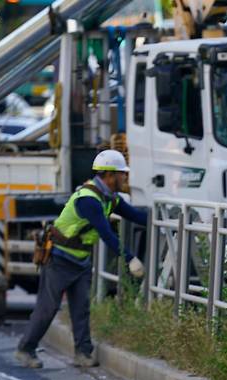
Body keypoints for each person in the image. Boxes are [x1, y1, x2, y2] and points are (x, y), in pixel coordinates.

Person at [15, 150, 147, 368]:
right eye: (122, 174)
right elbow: (106, 234)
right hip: (58, 259)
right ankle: (25, 349)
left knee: (81, 307)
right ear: (110, 175)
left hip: (80, 260)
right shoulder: (89, 200)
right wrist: (130, 259)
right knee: (48, 307)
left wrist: (166, 218)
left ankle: (83, 353)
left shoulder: (109, 199)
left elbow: (136, 216)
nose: (125, 178)